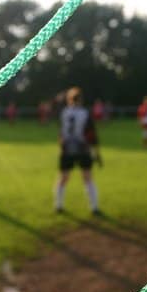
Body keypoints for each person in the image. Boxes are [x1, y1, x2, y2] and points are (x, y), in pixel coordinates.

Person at [53, 87, 101, 215]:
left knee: (63, 178)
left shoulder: (64, 112)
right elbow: (92, 135)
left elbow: (61, 131)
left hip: (67, 147)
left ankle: (58, 205)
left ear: (69, 99)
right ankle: (94, 207)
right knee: (88, 178)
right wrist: (97, 153)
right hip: (82, 148)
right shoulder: (85, 113)